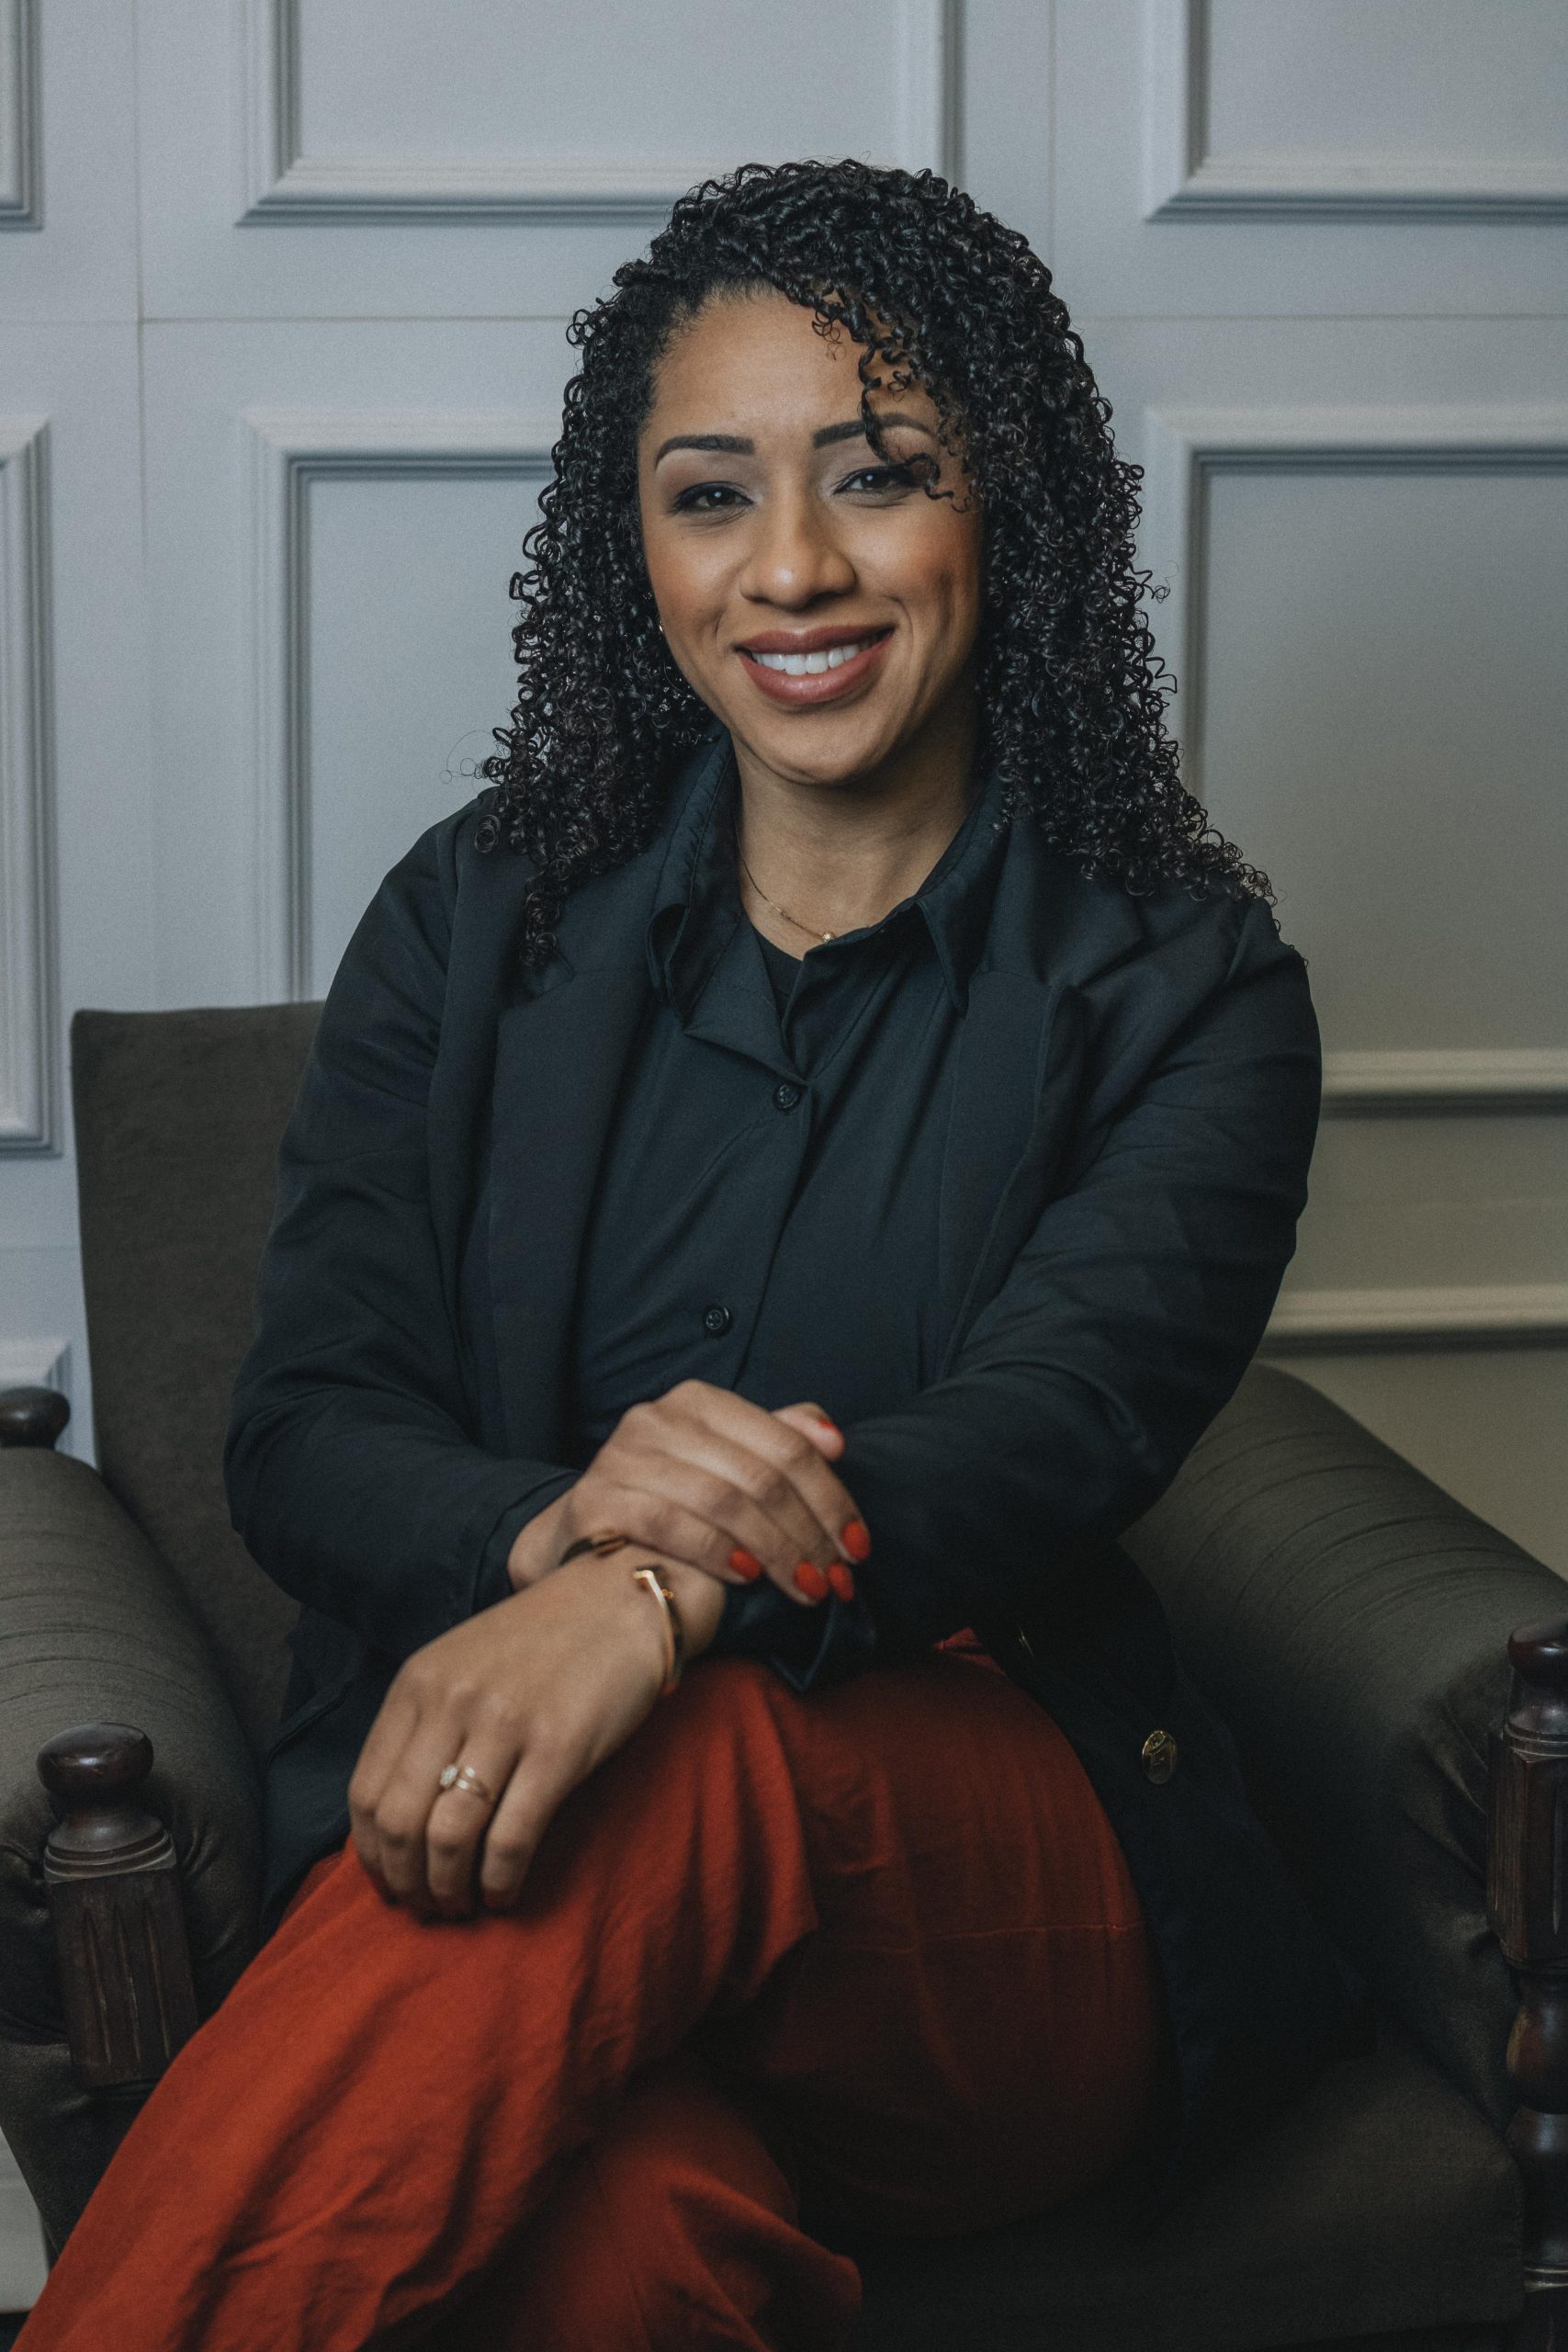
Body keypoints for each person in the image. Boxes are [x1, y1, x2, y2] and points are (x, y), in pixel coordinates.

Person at [18, 157, 1363, 2351]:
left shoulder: (1186, 994)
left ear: (997, 511)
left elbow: (1043, 1432)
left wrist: (663, 1600)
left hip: (980, 1928)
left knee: (695, 1753)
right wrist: (556, 1528)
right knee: (620, 2251)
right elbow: (304, 1426)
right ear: (626, 544)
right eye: (710, 493)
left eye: (879, 476)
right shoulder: (475, 919)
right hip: (494, 1874)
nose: (795, 567)